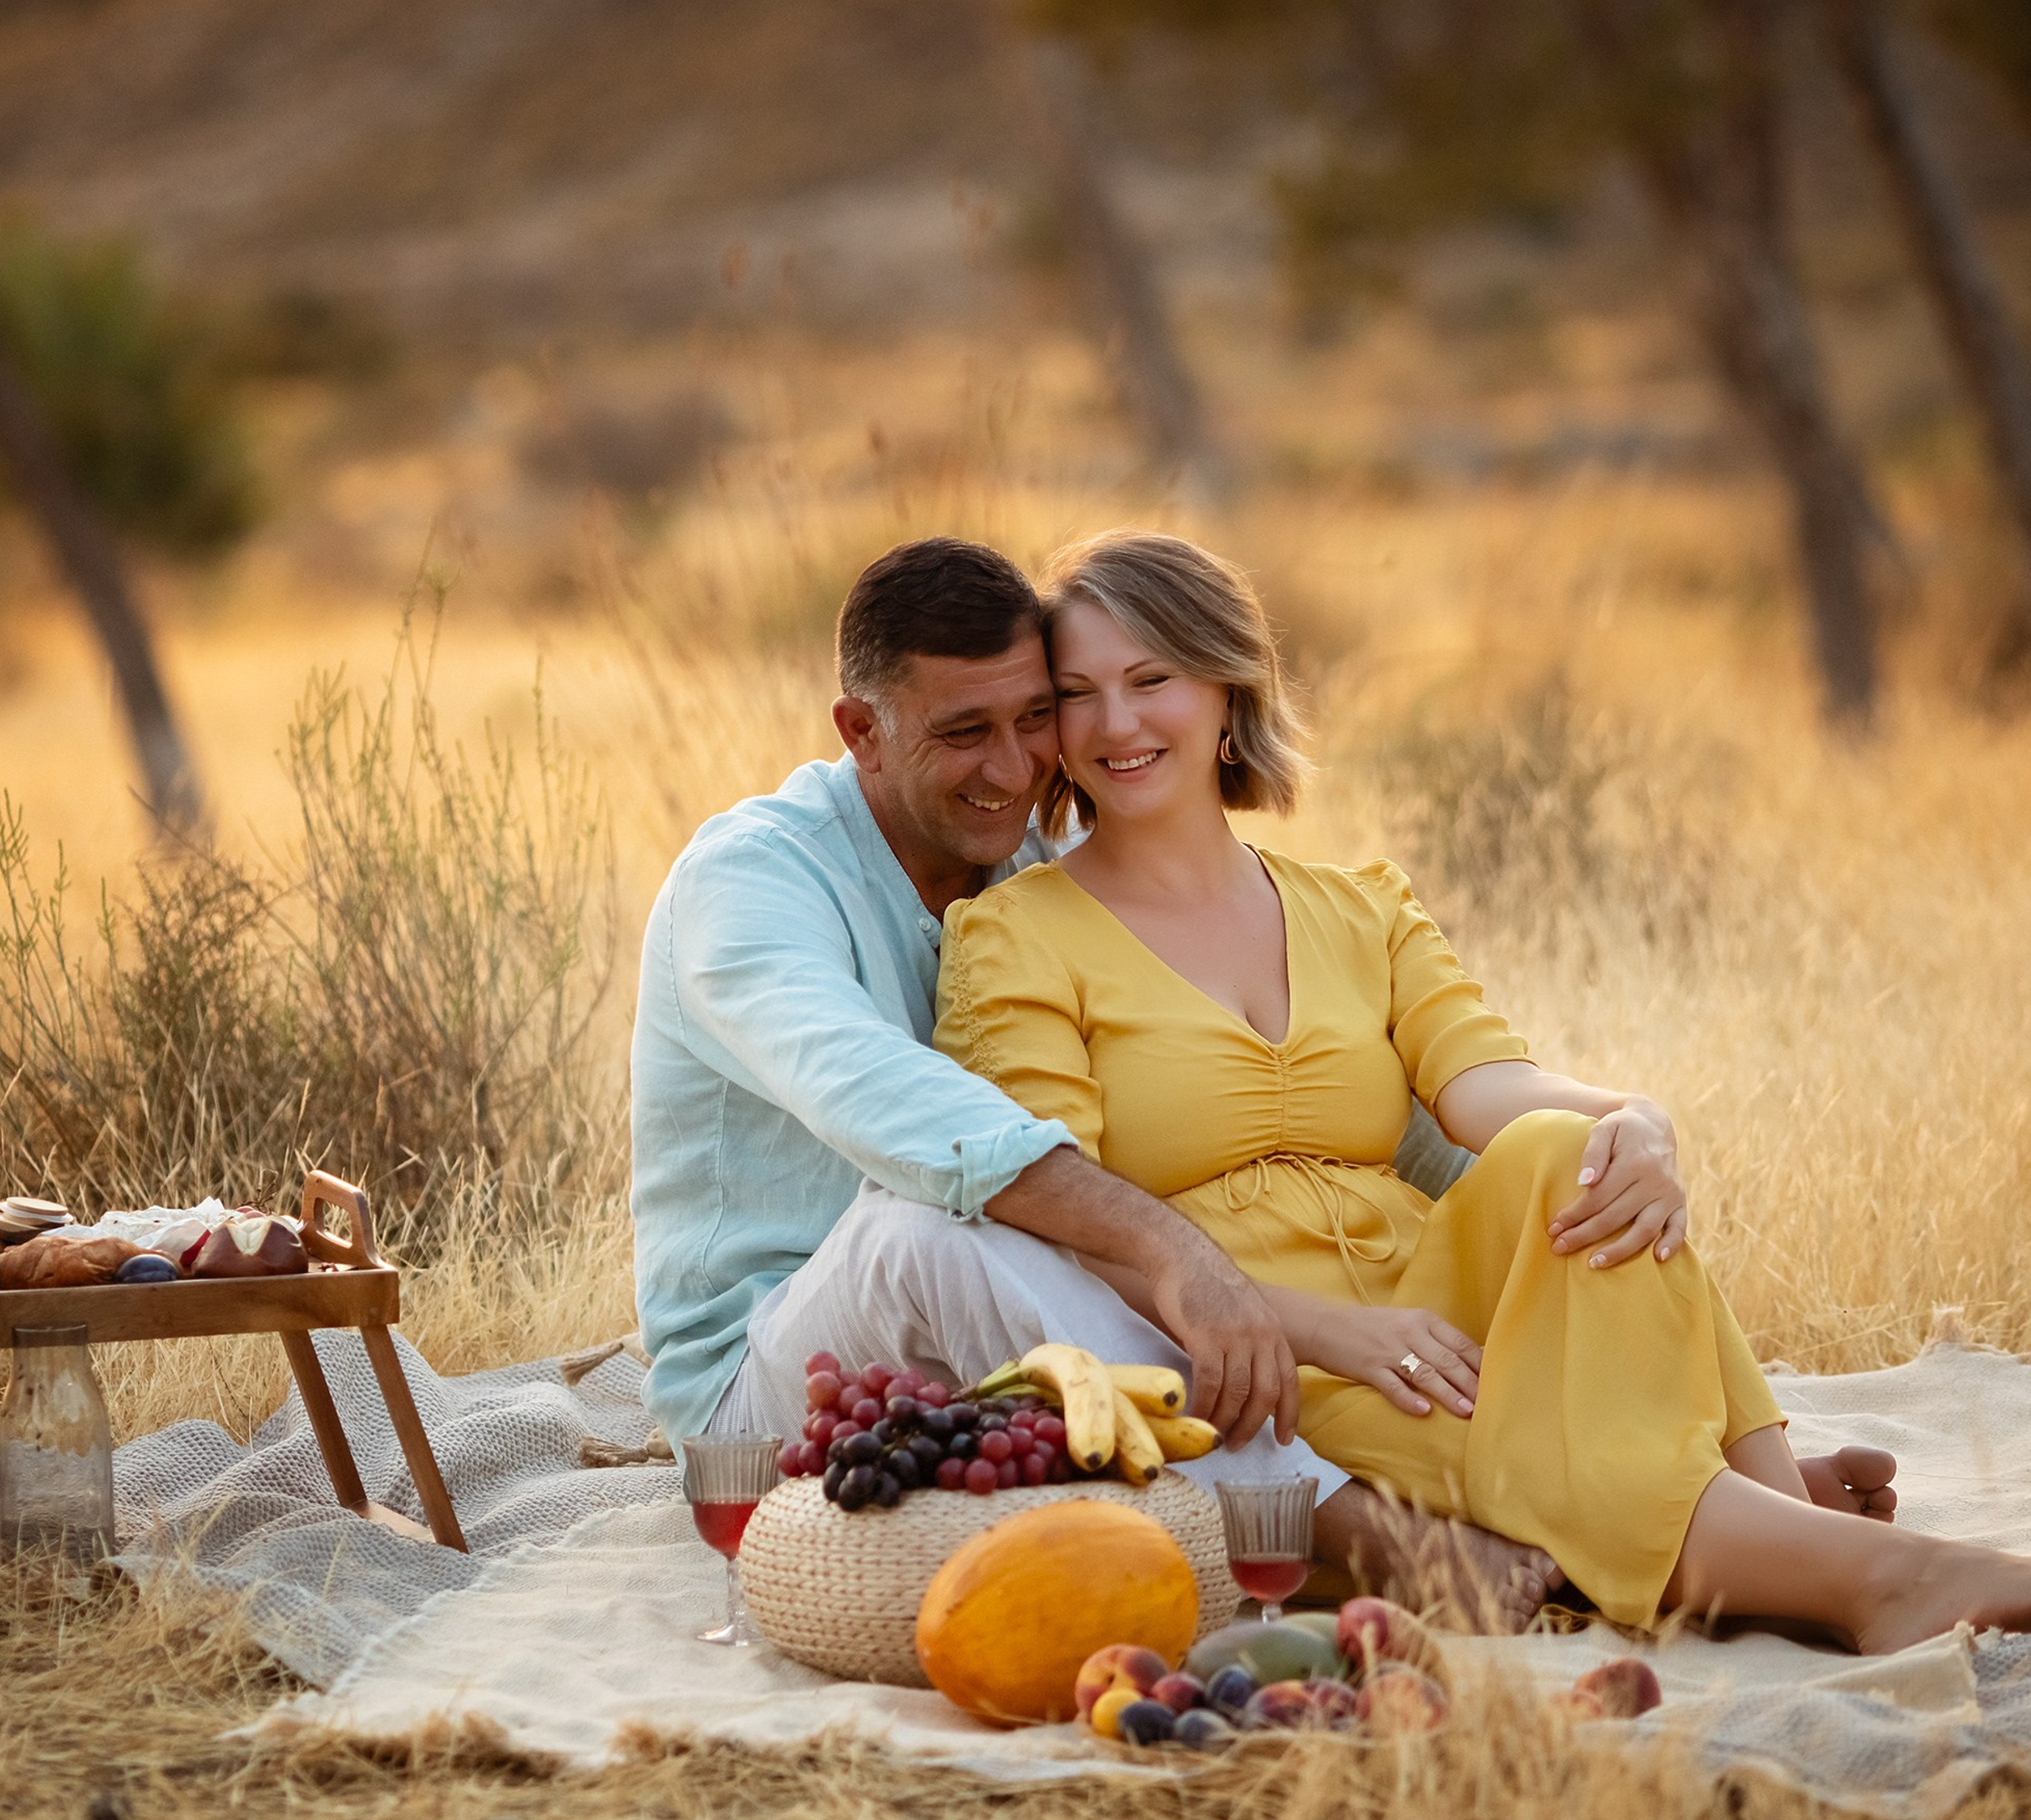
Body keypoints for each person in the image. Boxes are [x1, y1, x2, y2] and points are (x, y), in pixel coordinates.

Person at [630, 535, 1884, 1630]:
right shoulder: (753, 882)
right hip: (775, 1375)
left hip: (1015, 1365)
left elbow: (1404, 1120)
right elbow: (885, 1100)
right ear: (861, 731)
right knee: (947, 1221)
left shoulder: (1029, 868)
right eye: (967, 733)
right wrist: (1190, 1260)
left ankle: (1704, 1494)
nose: (1018, 769)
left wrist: (1582, 1150)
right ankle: (1362, 1534)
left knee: (1561, 1177)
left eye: (1033, 719)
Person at [930, 530, 2013, 1652]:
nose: (1115, 725)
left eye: (1151, 680)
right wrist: (1324, 1332)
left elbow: (1486, 1083)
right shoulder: (1014, 937)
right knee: (1540, 1440)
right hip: (1260, 1353)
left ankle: (1777, 1531)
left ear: (1225, 687)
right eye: (1077, 695)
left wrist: (1636, 1121)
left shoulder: (1364, 906)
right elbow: (1067, 1220)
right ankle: (1853, 1561)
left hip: (1433, 1295)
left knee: (1564, 1153)